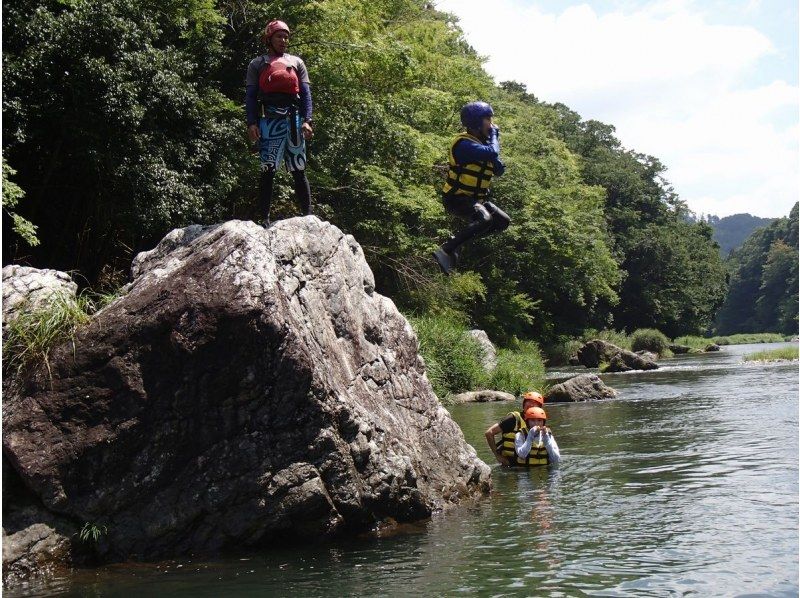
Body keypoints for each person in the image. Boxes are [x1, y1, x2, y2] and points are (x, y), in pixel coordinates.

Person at [245, 19, 314, 227]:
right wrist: (251, 123)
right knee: (268, 170)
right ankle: (264, 219)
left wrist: (307, 120)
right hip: (269, 121)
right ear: (269, 39)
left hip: (293, 120)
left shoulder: (297, 62)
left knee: (298, 169)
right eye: (279, 36)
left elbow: (306, 94)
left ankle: (308, 215)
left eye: (286, 37)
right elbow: (250, 96)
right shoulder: (257, 64)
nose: (283, 40)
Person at [433, 101, 511, 274]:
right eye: (488, 119)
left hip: (474, 200)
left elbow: (498, 169)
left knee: (502, 222)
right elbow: (492, 154)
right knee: (485, 219)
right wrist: (494, 137)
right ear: (476, 123)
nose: (492, 124)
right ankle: (446, 250)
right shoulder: (464, 145)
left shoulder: (482, 145)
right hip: (456, 198)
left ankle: (456, 243)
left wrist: (493, 153)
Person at [485, 398, 560, 466]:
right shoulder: (519, 433)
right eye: (532, 420)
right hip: (519, 469)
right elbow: (522, 455)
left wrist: (547, 441)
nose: (536, 423)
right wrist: (498, 456)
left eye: (539, 420)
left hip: (543, 473)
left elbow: (556, 459)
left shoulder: (547, 434)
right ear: (527, 421)